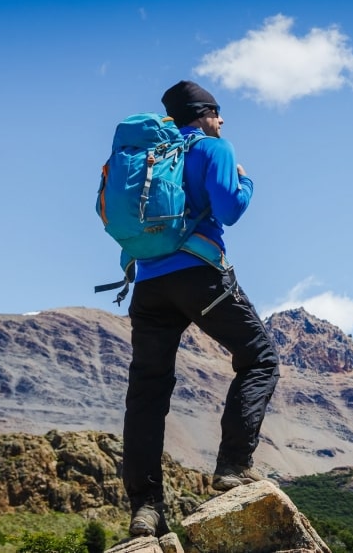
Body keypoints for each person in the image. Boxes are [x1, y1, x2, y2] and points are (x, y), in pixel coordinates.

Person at [122, 80, 280, 538]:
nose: (222, 120)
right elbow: (230, 209)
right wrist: (247, 180)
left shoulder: (148, 157)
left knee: (148, 394)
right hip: (199, 276)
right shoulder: (213, 148)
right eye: (216, 112)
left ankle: (146, 510)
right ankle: (233, 465)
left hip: (149, 287)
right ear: (202, 115)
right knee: (260, 358)